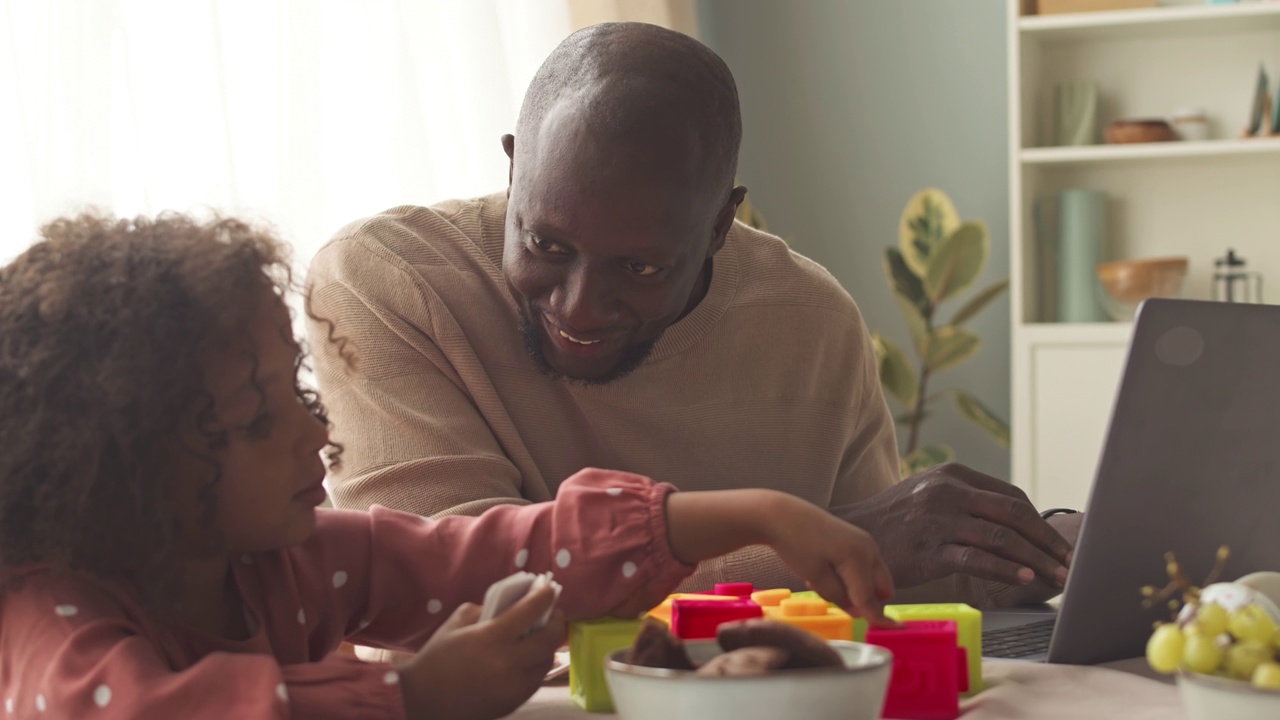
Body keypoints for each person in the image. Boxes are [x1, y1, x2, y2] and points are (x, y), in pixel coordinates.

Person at [307, 22, 1081, 608]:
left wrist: (1009, 554)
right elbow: (441, 594)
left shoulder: (811, 320)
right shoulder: (389, 281)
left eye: (641, 268)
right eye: (545, 244)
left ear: (720, 225)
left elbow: (875, 589)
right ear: (514, 168)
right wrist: (817, 548)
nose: (578, 305)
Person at [0, 212, 895, 719]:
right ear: (128, 474)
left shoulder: (297, 557)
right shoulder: (53, 618)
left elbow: (487, 554)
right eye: (257, 418)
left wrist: (755, 513)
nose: (314, 436)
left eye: (302, 398)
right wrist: (414, 692)